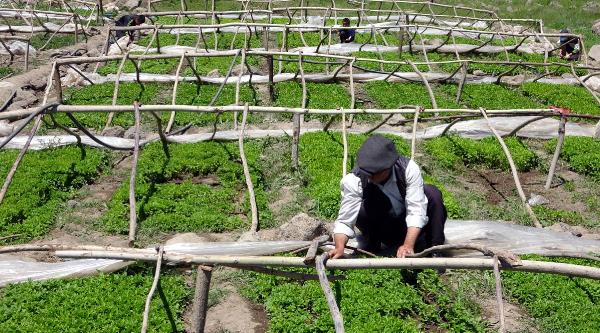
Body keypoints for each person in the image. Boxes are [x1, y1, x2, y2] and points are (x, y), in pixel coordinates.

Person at [328, 135, 447, 259]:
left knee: (432, 193)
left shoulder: (408, 169)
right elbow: (345, 220)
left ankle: (435, 250)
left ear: (387, 168)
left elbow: (416, 211)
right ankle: (373, 246)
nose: (370, 177)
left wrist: (408, 245)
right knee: (361, 209)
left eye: (374, 173)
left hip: (411, 227)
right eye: (367, 172)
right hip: (384, 229)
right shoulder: (353, 180)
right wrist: (340, 246)